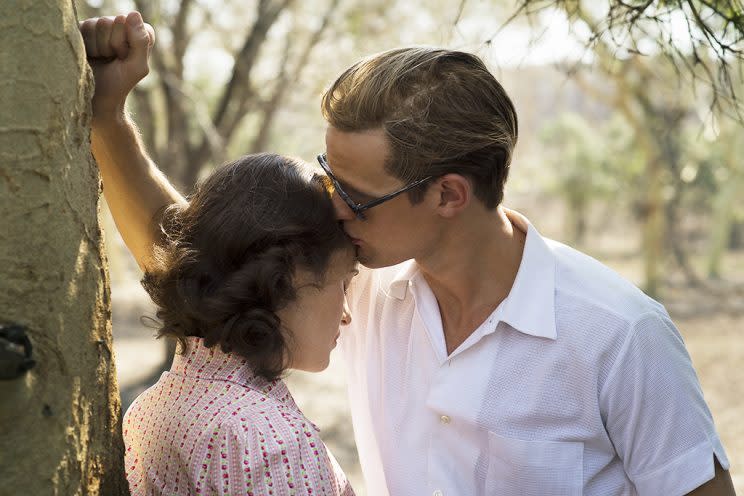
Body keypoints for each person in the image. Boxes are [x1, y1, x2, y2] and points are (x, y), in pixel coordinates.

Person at [81, 11, 736, 496]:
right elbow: (199, 255)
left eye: (356, 195)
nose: (332, 209)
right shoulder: (360, 277)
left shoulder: (621, 333)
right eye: (327, 177)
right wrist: (108, 116)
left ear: (449, 193)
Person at [81, 15, 357, 496]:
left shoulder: (159, 403)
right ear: (286, 277)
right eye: (343, 282)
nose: (349, 312)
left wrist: (107, 114)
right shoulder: (267, 441)